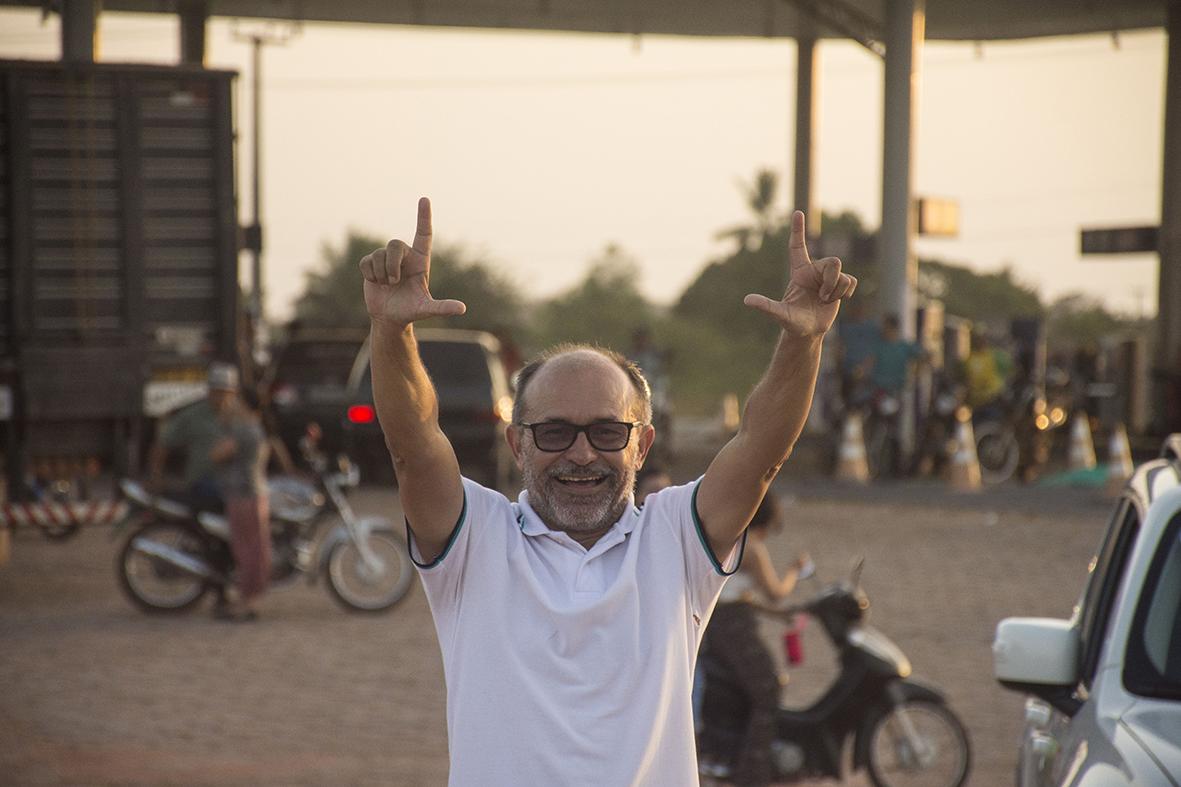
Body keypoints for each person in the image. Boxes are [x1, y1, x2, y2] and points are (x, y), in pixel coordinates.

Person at [357, 197, 856, 785]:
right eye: (554, 432)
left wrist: (803, 342)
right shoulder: (473, 540)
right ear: (517, 446)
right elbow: (413, 445)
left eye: (606, 432)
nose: (582, 452)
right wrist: (391, 330)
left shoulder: (675, 541)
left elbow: (760, 452)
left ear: (641, 447)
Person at [698, 493, 811, 785]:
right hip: (734, 628)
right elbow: (776, 592)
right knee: (767, 689)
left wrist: (778, 615)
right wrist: (794, 571)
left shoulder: (733, 540)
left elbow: (738, 595)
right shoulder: (753, 548)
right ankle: (753, 770)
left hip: (722, 623)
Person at [210, 387, 271, 622]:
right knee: (255, 549)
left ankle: (249, 602)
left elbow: (217, 454)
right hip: (253, 493)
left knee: (246, 550)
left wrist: (224, 423)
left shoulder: (245, 430)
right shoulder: (255, 428)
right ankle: (249, 599)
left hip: (243, 495)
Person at [148, 362, 240, 512]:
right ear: (209, 391)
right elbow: (163, 442)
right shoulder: (193, 416)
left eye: (225, 393)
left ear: (234, 393)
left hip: (238, 483)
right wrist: (156, 475)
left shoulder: (242, 416)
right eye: (216, 392)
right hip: (204, 482)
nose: (221, 398)